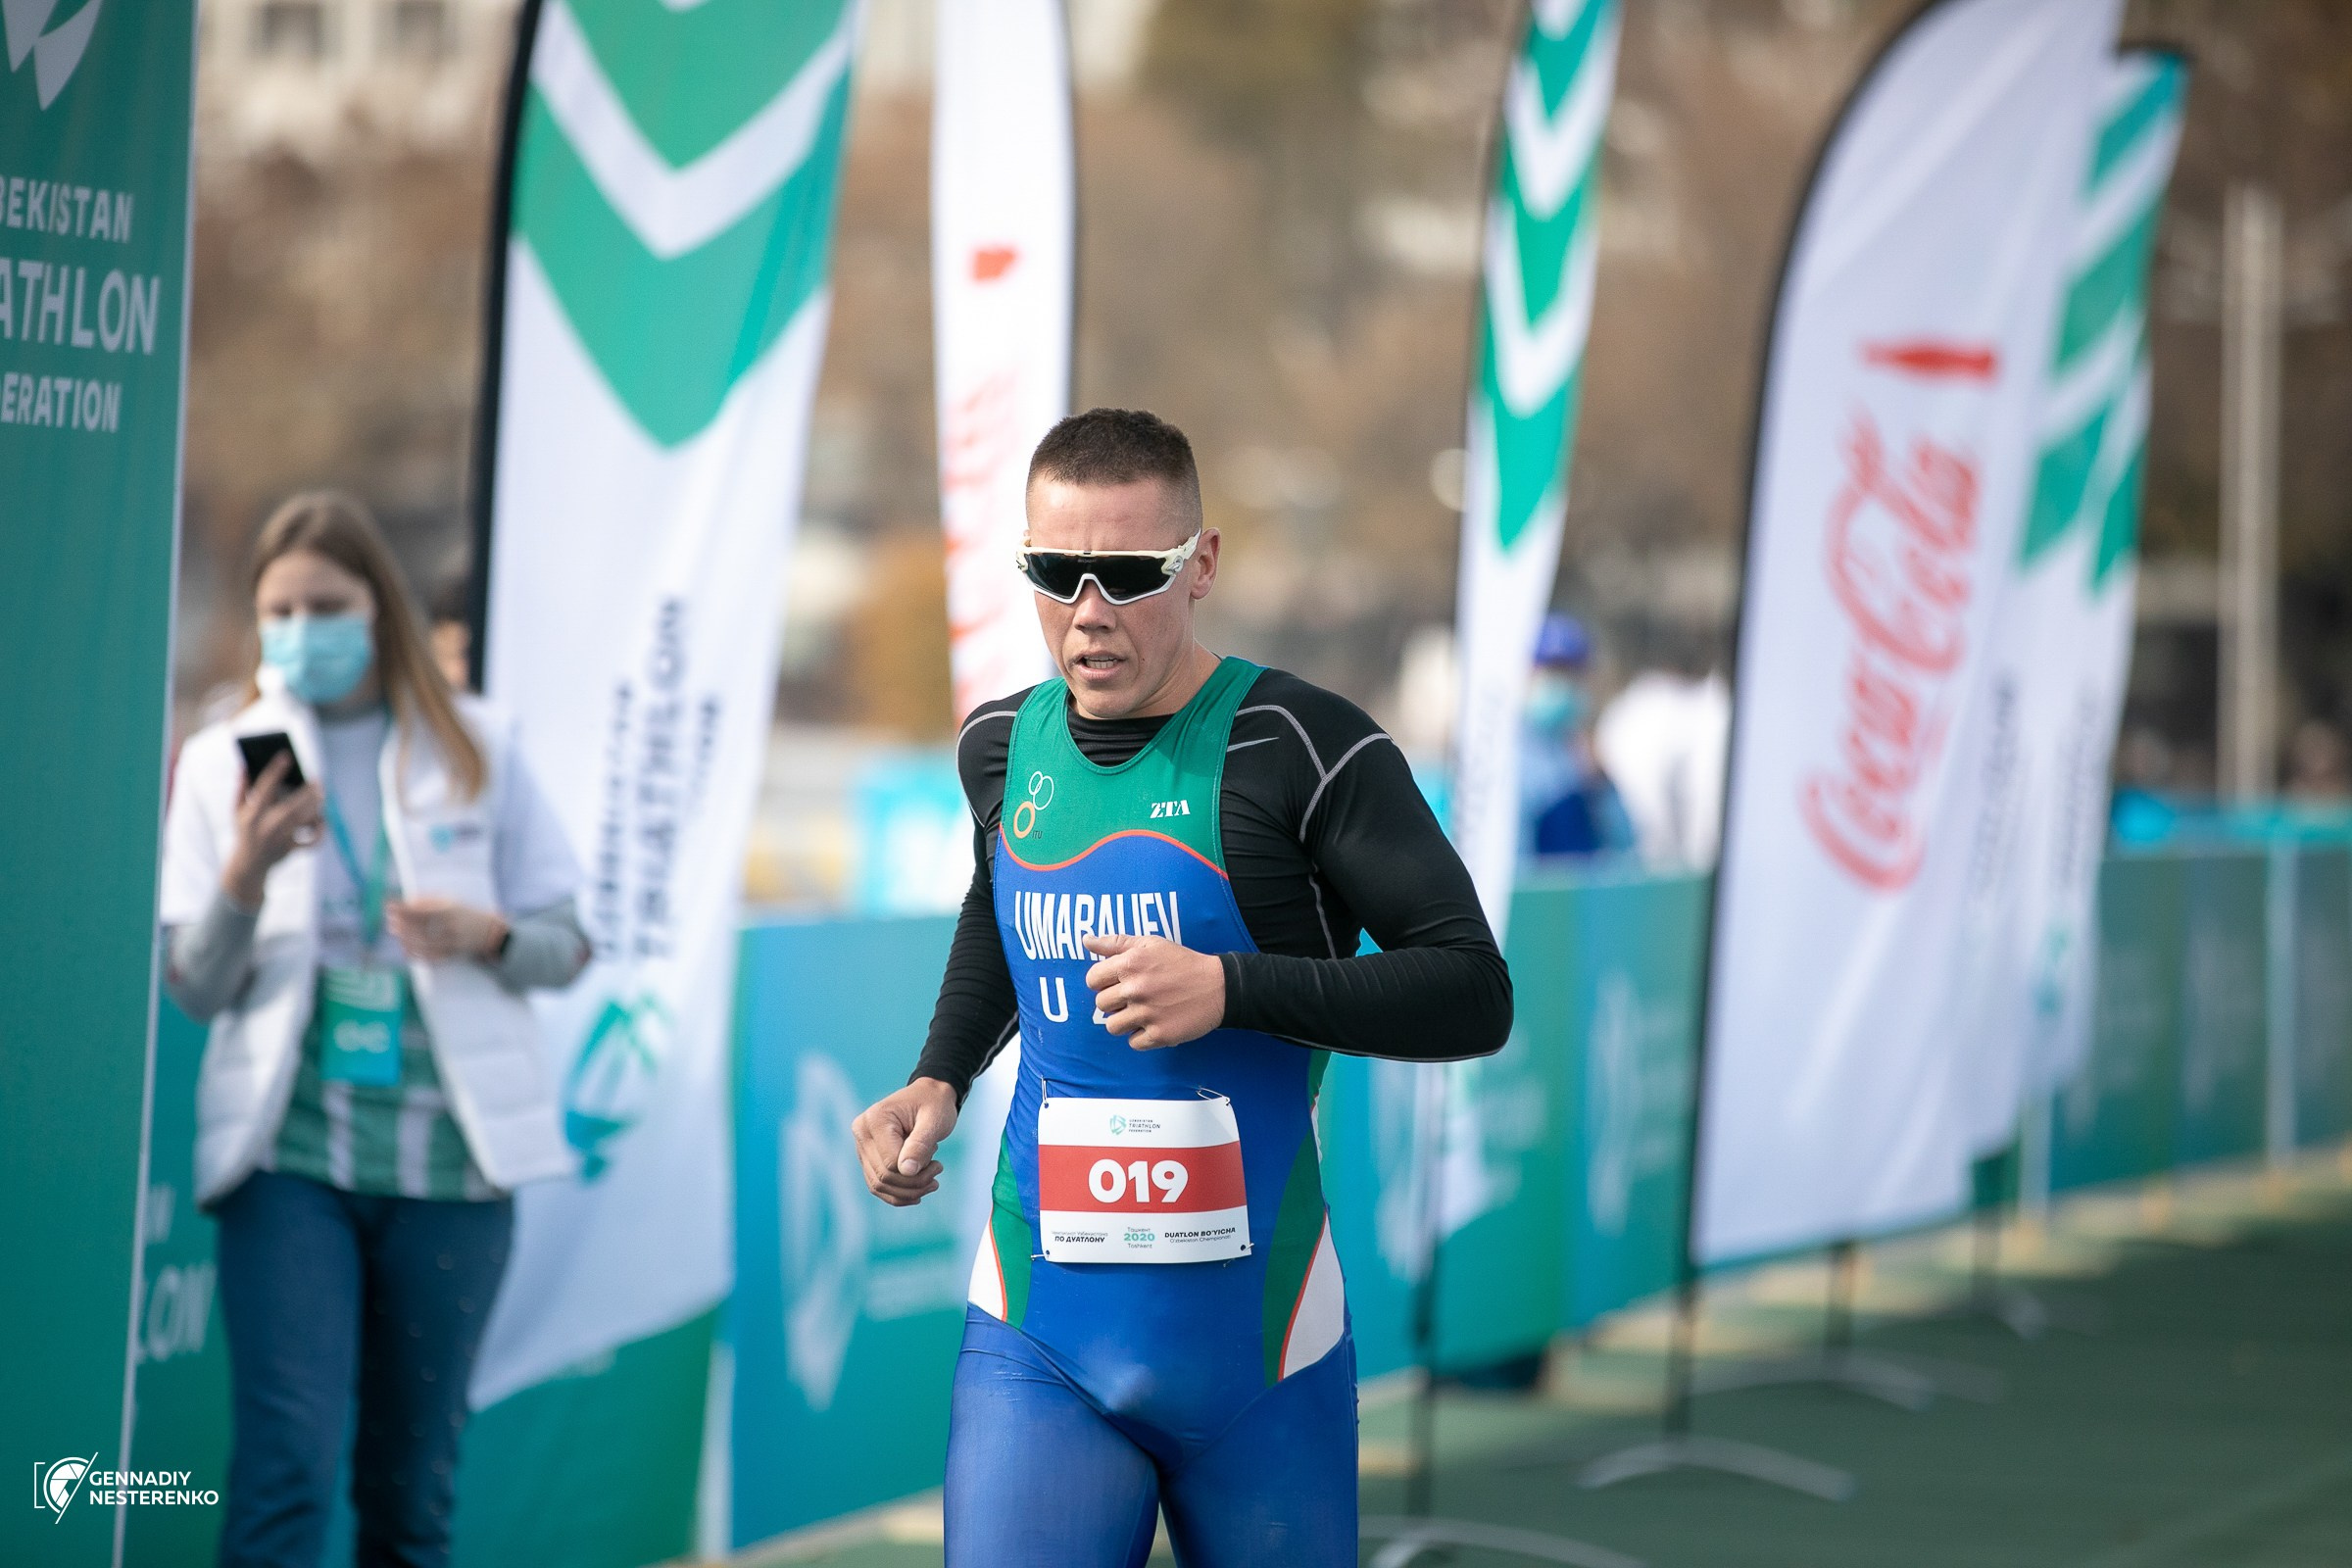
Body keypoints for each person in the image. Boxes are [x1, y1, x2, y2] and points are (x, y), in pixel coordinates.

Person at [849, 410, 1512, 1566]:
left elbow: (1472, 990)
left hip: (1261, 1359)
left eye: (1128, 574)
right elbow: (996, 911)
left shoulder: (1303, 746)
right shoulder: (1000, 745)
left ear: (1201, 565)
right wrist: (938, 1075)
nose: (1088, 610)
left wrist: (1233, 988)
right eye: (1055, 572)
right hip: (1040, 1344)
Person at [158, 492, 589, 1568]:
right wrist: (244, 877)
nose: (302, 630)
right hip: (287, 1163)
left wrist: (490, 935)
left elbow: (570, 944)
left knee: (410, 1496)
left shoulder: (476, 743)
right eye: (280, 611)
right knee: (284, 1473)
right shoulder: (220, 760)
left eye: (326, 605)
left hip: (452, 1174)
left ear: (379, 607)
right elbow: (195, 987)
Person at [1520, 612, 1633, 860]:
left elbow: (1625, 847)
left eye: (1572, 674)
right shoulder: (1507, 756)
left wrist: (1600, 785)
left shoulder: (1584, 758)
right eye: (1554, 672)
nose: (1564, 684)